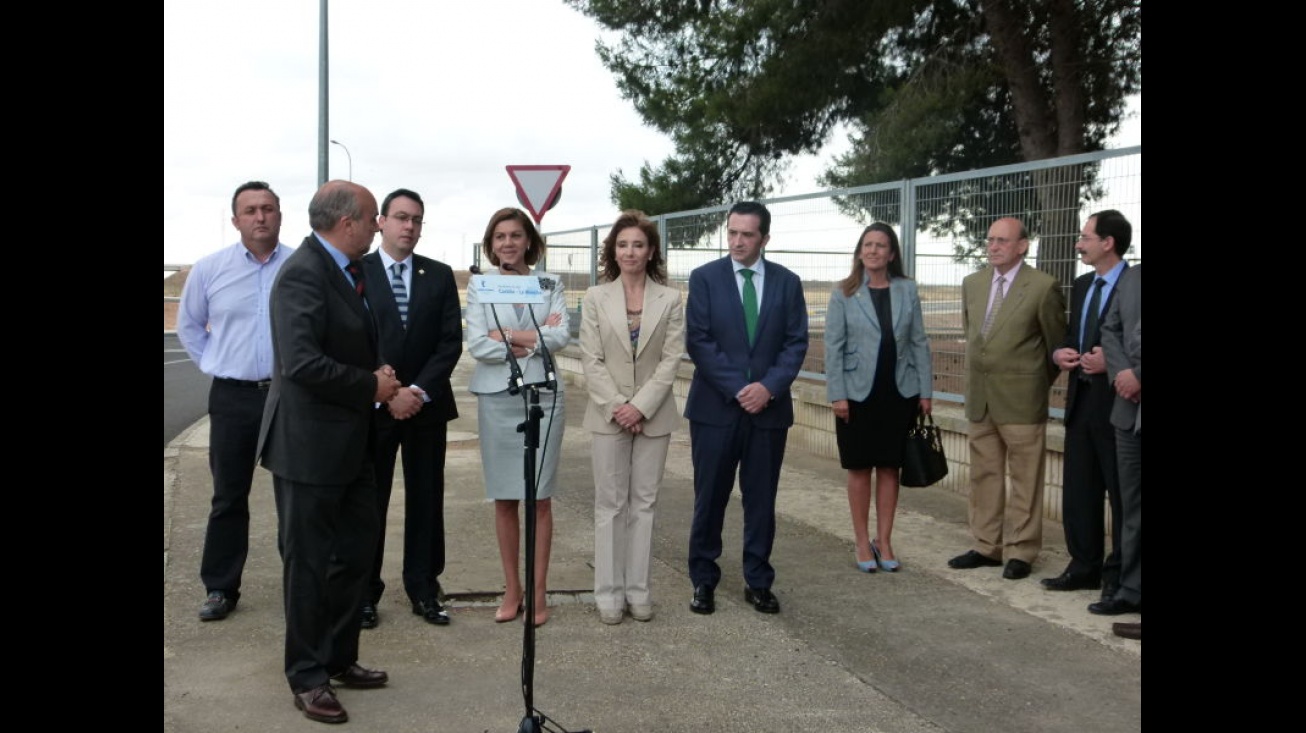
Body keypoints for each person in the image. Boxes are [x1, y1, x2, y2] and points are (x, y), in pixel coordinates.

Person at [257, 180, 401, 725]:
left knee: (355, 556)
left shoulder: (349, 270)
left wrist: (377, 376)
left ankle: (340, 658)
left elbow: (353, 342)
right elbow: (300, 362)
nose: (378, 226)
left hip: (350, 443)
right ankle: (308, 675)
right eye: (373, 218)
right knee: (309, 566)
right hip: (308, 447)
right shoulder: (302, 274)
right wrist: (371, 385)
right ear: (347, 223)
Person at [683, 201, 809, 615]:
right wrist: (740, 388)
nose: (737, 242)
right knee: (710, 498)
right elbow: (699, 340)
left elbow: (795, 342)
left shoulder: (788, 283)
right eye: (732, 233)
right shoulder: (705, 279)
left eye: (747, 235)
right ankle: (703, 579)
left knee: (760, 500)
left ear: (765, 239)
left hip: (768, 413)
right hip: (716, 410)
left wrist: (768, 388)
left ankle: (758, 580)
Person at [177, 180, 292, 621]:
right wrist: (217, 362)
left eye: (267, 208)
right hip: (233, 398)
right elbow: (190, 326)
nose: (260, 217)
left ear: (280, 215)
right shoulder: (210, 269)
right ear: (235, 220)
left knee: (294, 496)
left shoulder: (299, 266)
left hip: (286, 398)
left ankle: (299, 585)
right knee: (228, 496)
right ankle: (221, 588)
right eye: (250, 210)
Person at [359, 188, 463, 628]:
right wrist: (387, 392)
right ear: (381, 221)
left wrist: (417, 391)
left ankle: (423, 588)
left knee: (426, 499)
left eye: (416, 220)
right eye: (401, 217)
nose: (409, 227)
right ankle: (363, 592)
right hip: (373, 409)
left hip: (426, 408)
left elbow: (449, 343)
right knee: (369, 502)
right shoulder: (356, 272)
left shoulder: (437, 276)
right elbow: (350, 337)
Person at [465, 207, 570, 628]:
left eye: (515, 235)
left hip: (544, 395)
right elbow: (477, 343)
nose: (507, 243)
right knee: (505, 497)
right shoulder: (481, 285)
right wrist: (531, 340)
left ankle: (539, 590)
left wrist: (507, 336)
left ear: (529, 240)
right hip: (497, 395)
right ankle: (513, 588)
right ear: (491, 244)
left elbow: (560, 336)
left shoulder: (549, 282)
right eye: (499, 236)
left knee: (539, 497)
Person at [580, 210, 686, 624]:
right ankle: (607, 593)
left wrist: (640, 406)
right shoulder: (594, 297)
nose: (630, 251)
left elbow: (671, 357)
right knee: (610, 505)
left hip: (654, 417)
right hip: (607, 416)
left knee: (644, 504)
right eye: (622, 244)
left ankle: (638, 590)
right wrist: (618, 407)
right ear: (613, 250)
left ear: (651, 250)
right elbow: (590, 358)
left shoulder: (671, 298)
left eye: (638, 244)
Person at [948, 217, 1066, 581]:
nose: (993, 246)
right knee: (984, 475)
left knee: (1025, 478)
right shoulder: (973, 284)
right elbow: (975, 339)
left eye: (1002, 240)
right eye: (990, 240)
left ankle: (1021, 550)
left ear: (1022, 246)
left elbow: (1055, 346)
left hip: (1021, 400)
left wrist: (1032, 384)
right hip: (981, 399)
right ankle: (986, 545)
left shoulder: (1043, 287)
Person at [823, 223, 933, 574]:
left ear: (892, 253)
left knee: (889, 467)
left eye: (880, 245)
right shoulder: (844, 292)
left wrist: (925, 392)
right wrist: (837, 394)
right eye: (867, 245)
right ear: (859, 252)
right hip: (856, 396)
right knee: (859, 468)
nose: (873, 251)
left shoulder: (907, 289)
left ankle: (884, 541)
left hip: (899, 393)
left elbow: (919, 342)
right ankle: (860, 540)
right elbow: (833, 347)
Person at [1045, 210, 1131, 596]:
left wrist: (1109, 363)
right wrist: (1061, 353)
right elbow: (1070, 335)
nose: (1079, 244)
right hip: (1080, 403)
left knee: (1124, 497)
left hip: (1121, 407)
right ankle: (1083, 567)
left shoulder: (1134, 284)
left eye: (1085, 237)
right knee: (1080, 491)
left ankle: (1120, 578)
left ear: (1108, 243)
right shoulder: (1082, 285)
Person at [1091, 263, 1141, 629]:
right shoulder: (1134, 278)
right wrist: (1123, 374)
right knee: (1132, 507)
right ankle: (1131, 589)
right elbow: (1111, 329)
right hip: (1128, 412)